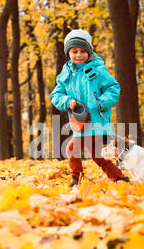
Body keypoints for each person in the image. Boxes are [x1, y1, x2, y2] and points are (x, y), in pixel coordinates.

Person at [50, 29, 130, 187]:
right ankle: (120, 178)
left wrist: (99, 102)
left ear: (89, 51)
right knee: (97, 157)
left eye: (82, 51)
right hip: (80, 123)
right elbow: (55, 95)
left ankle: (75, 178)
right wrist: (68, 101)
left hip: (96, 122)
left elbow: (113, 89)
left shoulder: (98, 70)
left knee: (72, 149)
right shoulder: (66, 73)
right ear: (68, 53)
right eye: (74, 51)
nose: (78, 55)